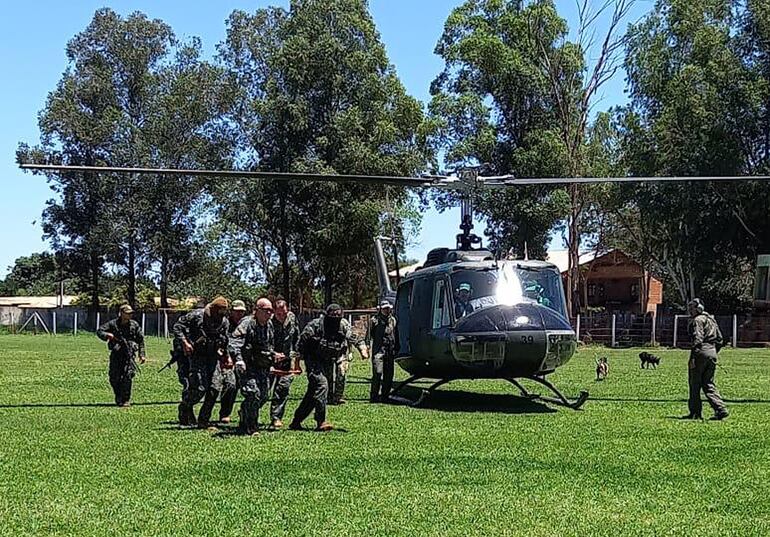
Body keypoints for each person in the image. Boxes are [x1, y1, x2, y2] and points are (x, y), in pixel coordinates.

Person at [290, 304, 369, 432]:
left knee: (313, 393)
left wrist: (362, 349)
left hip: (328, 360)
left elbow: (353, 336)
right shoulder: (315, 325)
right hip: (313, 360)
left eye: (338, 316)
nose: (335, 319)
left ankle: (296, 421)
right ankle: (321, 421)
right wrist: (297, 363)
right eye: (333, 317)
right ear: (327, 316)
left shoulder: (342, 325)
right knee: (322, 385)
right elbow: (301, 344)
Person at [172, 297, 230, 428]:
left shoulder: (224, 322)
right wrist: (185, 343)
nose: (221, 315)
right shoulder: (197, 315)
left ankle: (203, 420)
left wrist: (225, 355)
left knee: (215, 388)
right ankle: (185, 406)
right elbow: (177, 327)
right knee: (199, 388)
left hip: (213, 356)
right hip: (197, 356)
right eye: (219, 312)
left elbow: (225, 339)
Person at [232, 298, 282, 436]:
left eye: (271, 311)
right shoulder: (247, 323)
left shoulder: (269, 325)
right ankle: (251, 426)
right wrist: (239, 360)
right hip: (247, 366)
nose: (269, 313)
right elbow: (234, 342)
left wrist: (273, 355)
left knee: (264, 396)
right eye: (266, 310)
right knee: (253, 394)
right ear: (257, 310)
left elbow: (268, 346)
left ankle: (244, 412)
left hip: (262, 367)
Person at [683, 298, 729, 421]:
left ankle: (695, 413)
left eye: (691, 308)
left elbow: (698, 339)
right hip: (712, 351)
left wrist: (693, 357)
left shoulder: (698, 320)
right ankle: (720, 409)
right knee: (708, 383)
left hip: (701, 352)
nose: (690, 311)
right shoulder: (711, 319)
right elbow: (720, 339)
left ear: (698, 308)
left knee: (695, 383)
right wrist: (713, 352)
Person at [97, 304, 146, 407]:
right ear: (121, 313)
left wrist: (142, 354)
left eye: (131, 313)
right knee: (114, 377)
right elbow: (100, 331)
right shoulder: (113, 324)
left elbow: (140, 340)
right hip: (116, 354)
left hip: (129, 355)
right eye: (127, 313)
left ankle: (126, 399)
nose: (130, 315)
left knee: (127, 376)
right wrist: (107, 335)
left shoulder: (134, 325)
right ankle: (118, 397)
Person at [210, 299, 247, 424]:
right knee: (231, 385)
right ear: (231, 312)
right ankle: (224, 413)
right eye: (237, 312)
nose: (239, 314)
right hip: (225, 359)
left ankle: (244, 412)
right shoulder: (224, 323)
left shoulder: (247, 324)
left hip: (242, 360)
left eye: (242, 312)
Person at [269, 299, 299, 429]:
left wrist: (297, 358)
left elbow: (296, 337)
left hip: (286, 359)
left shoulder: (292, 319)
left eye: (284, 313)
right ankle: (248, 413)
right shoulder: (267, 322)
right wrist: (272, 353)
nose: (282, 316)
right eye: (279, 314)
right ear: (274, 312)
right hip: (269, 359)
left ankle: (276, 417)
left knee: (283, 388)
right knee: (263, 390)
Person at [369, 300, 399, 402]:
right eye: (385, 308)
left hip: (390, 350)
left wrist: (397, 347)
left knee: (389, 374)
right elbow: (369, 335)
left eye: (388, 308)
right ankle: (374, 396)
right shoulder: (374, 321)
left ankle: (385, 396)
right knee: (378, 372)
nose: (387, 310)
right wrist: (367, 347)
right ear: (380, 309)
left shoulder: (393, 320)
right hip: (378, 350)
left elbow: (396, 334)